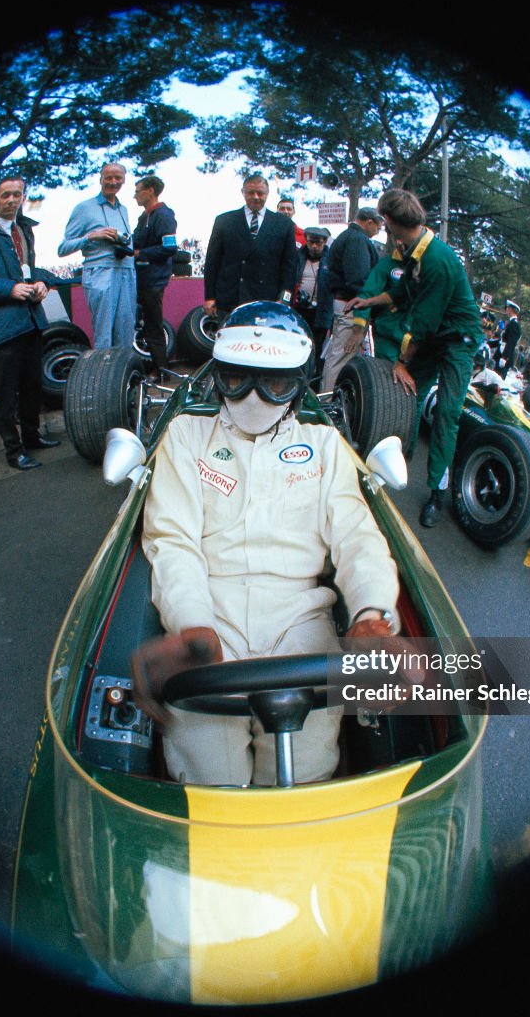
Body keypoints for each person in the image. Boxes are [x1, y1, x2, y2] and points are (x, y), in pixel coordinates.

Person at [130, 302, 400, 787]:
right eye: (238, 378)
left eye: (273, 383)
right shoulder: (185, 437)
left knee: (304, 775)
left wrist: (371, 616)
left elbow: (357, 536)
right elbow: (173, 541)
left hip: (302, 620)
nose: (253, 397)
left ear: (297, 385)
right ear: (218, 375)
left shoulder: (324, 446)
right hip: (210, 617)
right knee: (208, 779)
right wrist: (192, 624)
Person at [347, 188, 483, 529]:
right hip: (435, 335)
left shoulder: (438, 260)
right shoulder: (412, 250)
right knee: (408, 397)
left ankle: (438, 490)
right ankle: (397, 460)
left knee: (447, 414)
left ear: (389, 221)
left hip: (457, 341)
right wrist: (369, 301)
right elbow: (401, 292)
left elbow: (423, 323)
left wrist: (403, 362)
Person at [0, 174, 60, 471]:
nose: (12, 200)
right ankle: (14, 452)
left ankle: (31, 437)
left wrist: (41, 282)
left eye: (17, 194)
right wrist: (10, 289)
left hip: (29, 322)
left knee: (32, 386)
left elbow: (28, 270)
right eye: (5, 195)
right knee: (6, 397)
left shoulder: (23, 233)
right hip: (1, 331)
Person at [58, 163, 136, 350]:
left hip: (126, 271)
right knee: (104, 332)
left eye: (118, 177)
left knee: (126, 331)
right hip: (101, 272)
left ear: (124, 180)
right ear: (100, 178)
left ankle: (121, 375)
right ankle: (102, 377)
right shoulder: (84, 208)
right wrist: (91, 236)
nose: (113, 181)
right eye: (108, 177)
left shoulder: (123, 209)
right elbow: (62, 248)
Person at [202, 174, 299, 324]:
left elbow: (290, 266)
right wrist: (209, 297)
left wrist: (284, 299)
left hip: (268, 301)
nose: (255, 197)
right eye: (250, 193)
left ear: (267, 193)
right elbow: (212, 262)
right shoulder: (224, 221)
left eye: (260, 193)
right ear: (243, 192)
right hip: (230, 299)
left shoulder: (283, 224)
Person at [321, 206, 382, 392]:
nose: (379, 231)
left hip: (346, 303)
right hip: (352, 305)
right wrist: (368, 304)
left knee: (340, 353)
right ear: (370, 222)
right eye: (379, 227)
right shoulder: (357, 239)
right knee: (341, 355)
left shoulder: (349, 237)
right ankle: (327, 401)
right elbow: (358, 280)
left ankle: (328, 398)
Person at [132, 174, 178, 372]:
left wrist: (139, 253)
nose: (135, 196)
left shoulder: (163, 215)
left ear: (150, 191)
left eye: (137, 191)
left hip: (153, 281)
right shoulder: (144, 217)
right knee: (147, 323)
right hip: (142, 279)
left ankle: (162, 370)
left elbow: (170, 248)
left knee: (153, 324)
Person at [292, 226, 332, 366]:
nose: (314, 246)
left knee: (316, 349)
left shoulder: (331, 261)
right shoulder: (298, 257)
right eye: (310, 242)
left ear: (325, 242)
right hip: (299, 310)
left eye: (318, 243)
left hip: (320, 313)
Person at [499, 300, 521, 378]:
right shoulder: (511, 323)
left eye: (508, 308)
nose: (506, 309)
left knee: (497, 381)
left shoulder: (514, 324)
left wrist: (504, 357)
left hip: (505, 357)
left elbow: (511, 343)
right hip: (501, 353)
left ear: (511, 309)